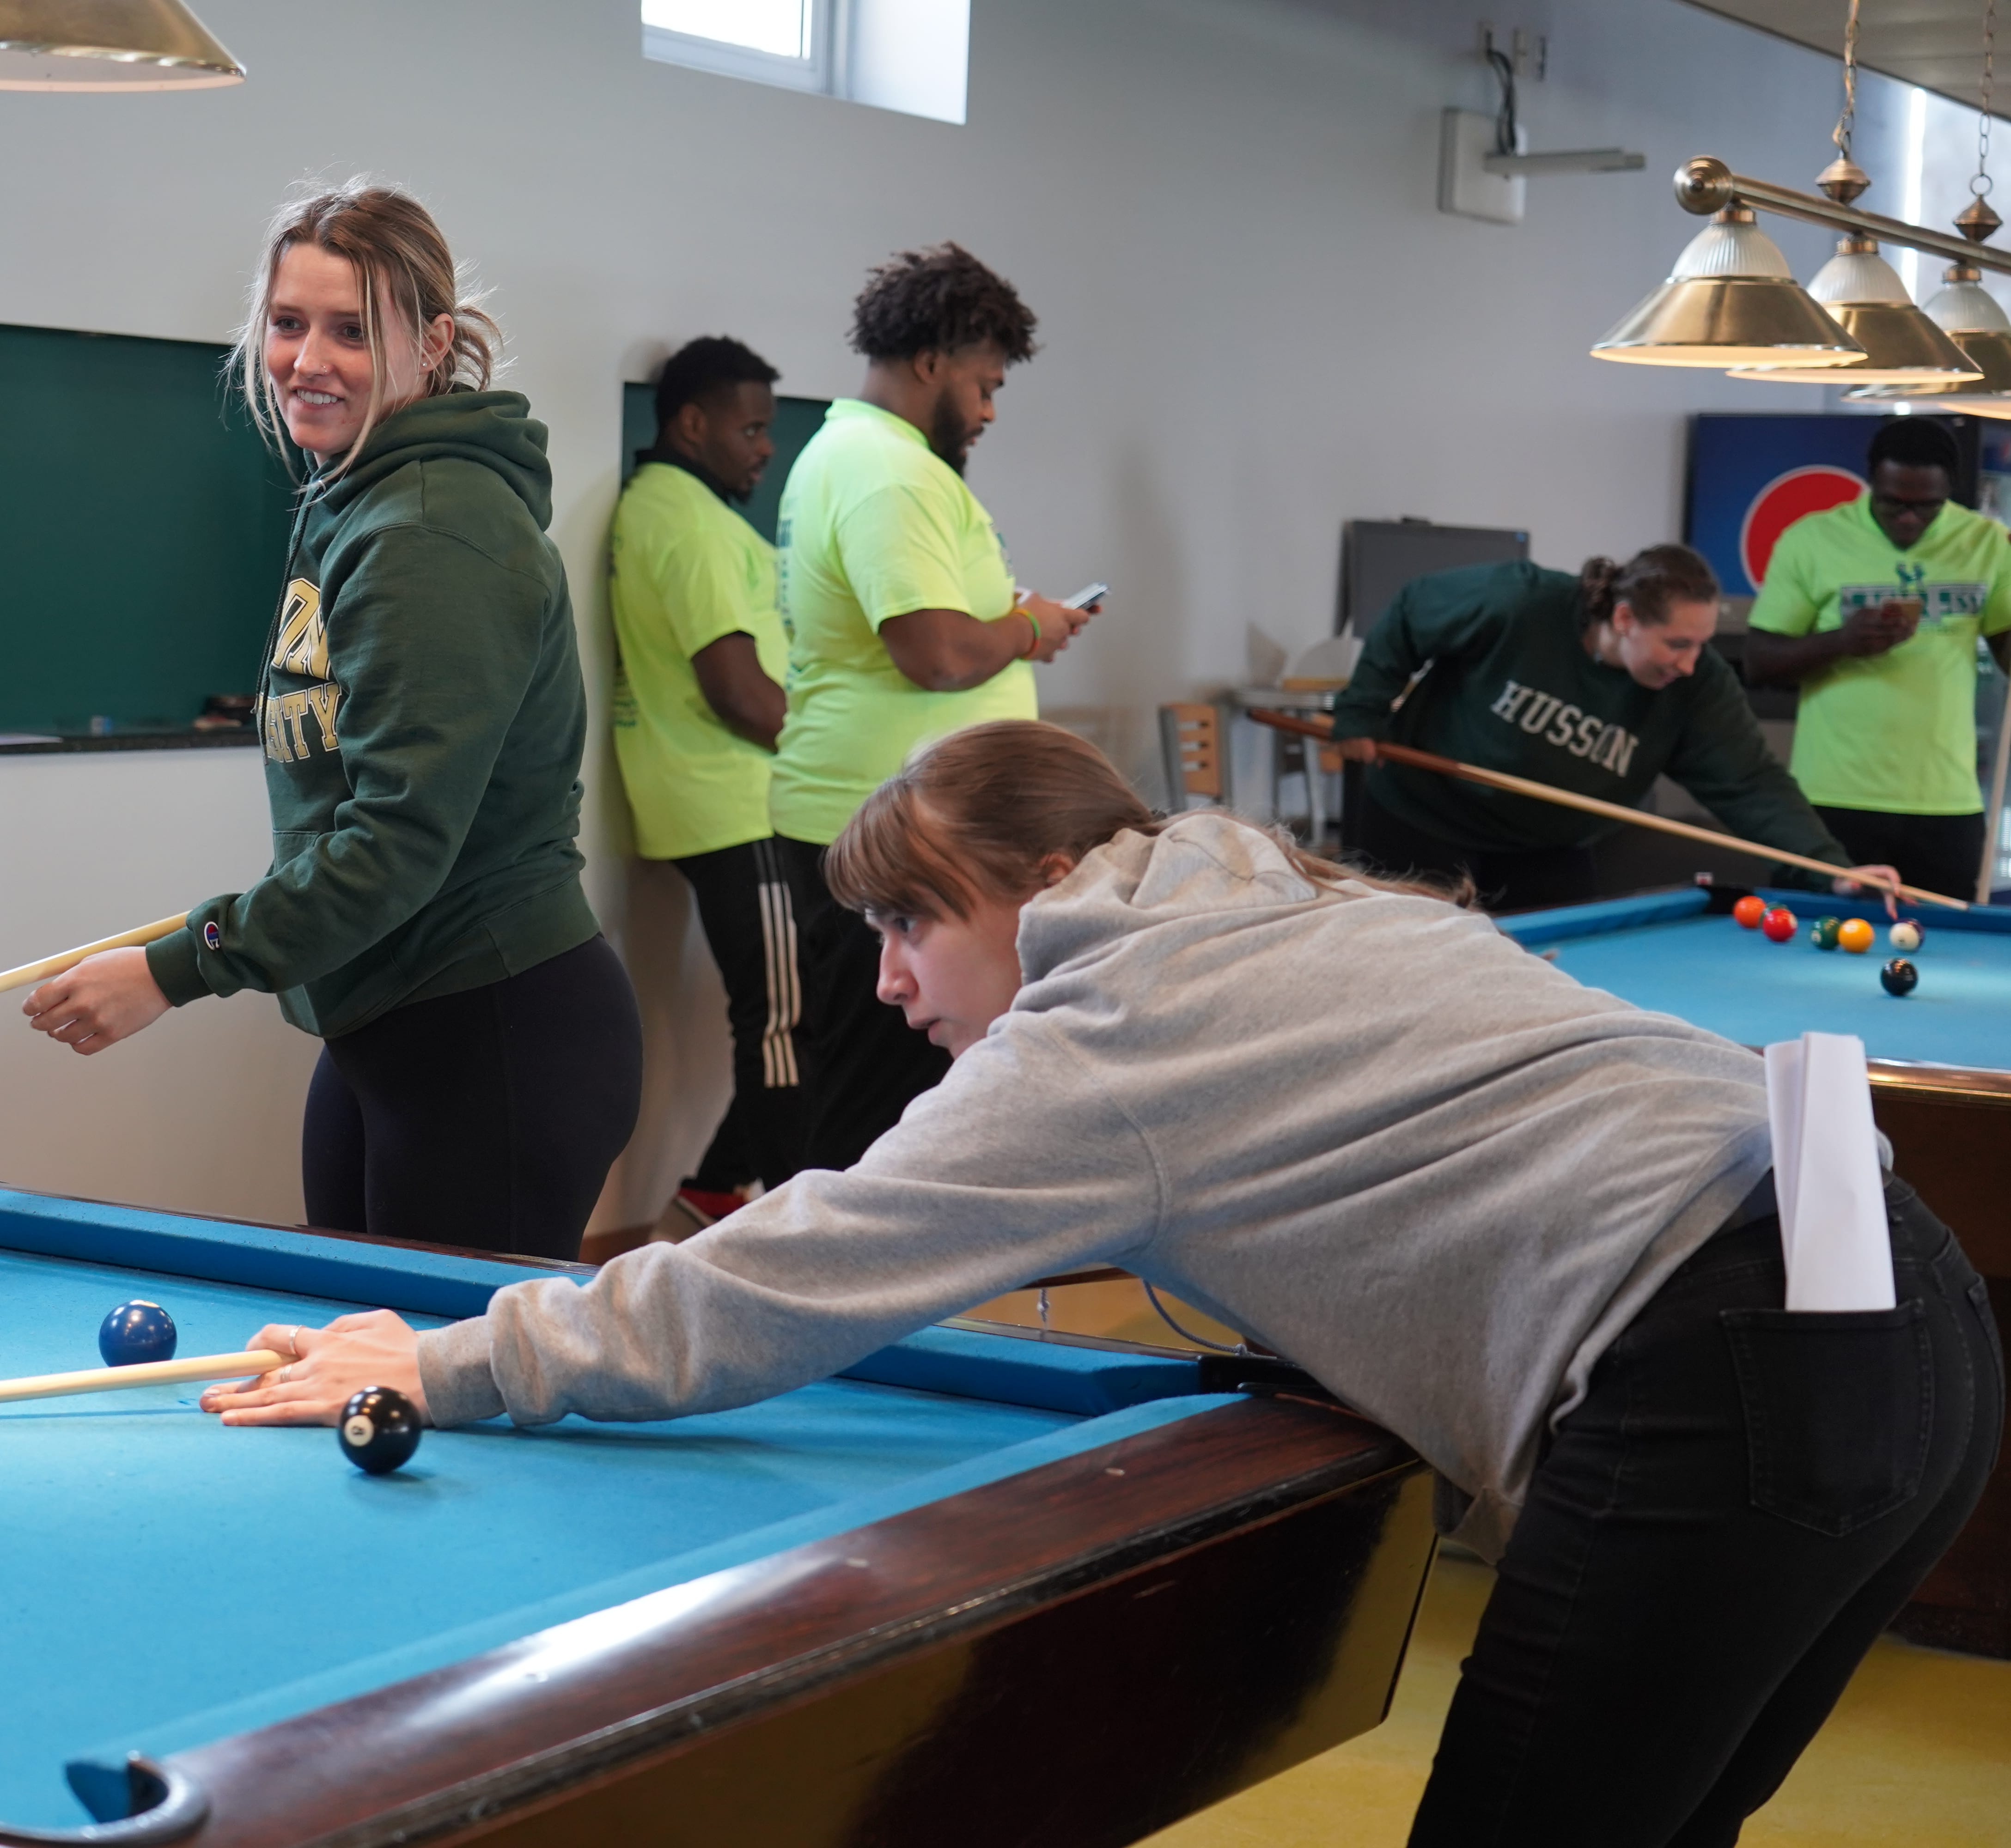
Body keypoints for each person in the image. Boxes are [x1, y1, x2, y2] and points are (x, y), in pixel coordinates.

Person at [204, 719, 2000, 1848]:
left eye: (912, 923)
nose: (894, 985)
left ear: (1048, 884)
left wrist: (453, 1358)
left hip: (1729, 1386)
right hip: (1914, 1311)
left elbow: (783, 1277)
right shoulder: (1298, 899)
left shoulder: (1110, 1031)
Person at [20, 183, 639, 1263]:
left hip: (493, 1023)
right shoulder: (357, 498)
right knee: (351, 1358)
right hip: (387, 1016)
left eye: (353, 330)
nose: (309, 358)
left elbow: (396, 842)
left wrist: (179, 964)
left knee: (428, 1400)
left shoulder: (435, 528)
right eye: (289, 322)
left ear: (432, 342)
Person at [768, 242, 1095, 1170]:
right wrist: (1028, 629)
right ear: (932, 362)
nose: (989, 410)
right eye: (985, 384)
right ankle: (840, 1299)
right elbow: (937, 650)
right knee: (881, 1111)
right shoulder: (891, 471)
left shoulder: (852, 452)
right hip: (888, 828)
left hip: (878, 816)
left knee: (880, 1092)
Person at [1335, 544, 1899, 913]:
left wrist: (1829, 868)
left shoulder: (1694, 686)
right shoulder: (1519, 602)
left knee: (1551, 986)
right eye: (1676, 643)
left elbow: (1751, 783)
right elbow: (1412, 613)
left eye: (1701, 644)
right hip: (1422, 818)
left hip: (1545, 846)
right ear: (1625, 619)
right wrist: (1363, 709)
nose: (1689, 661)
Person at [610, 335, 808, 1222]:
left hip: (707, 800)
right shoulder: (690, 524)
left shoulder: (659, 504)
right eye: (753, 429)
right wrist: (838, 757)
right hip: (738, 804)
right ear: (693, 424)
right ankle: (796, 1227)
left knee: (794, 1021)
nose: (766, 448)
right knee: (784, 1026)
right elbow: (740, 692)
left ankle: (712, 1192)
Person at [1745, 417, 2011, 900]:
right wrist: (1840, 641)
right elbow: (1760, 660)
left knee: (1942, 957)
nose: (1908, 518)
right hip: (1828, 801)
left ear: (1949, 490)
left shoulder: (1986, 543)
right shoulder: (1812, 539)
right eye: (1893, 503)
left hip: (1947, 804)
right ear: (1871, 482)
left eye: (1926, 506)